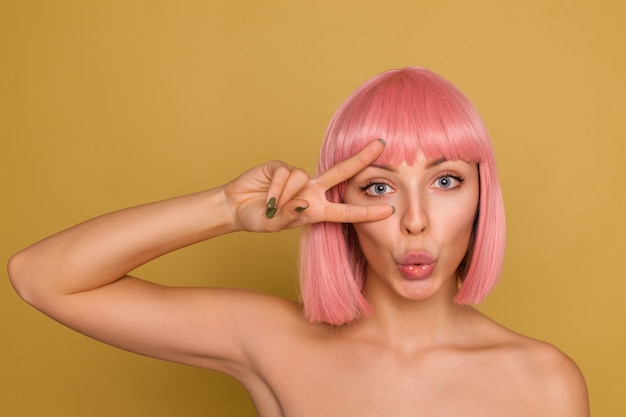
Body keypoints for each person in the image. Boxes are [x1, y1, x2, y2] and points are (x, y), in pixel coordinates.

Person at [8, 67, 589, 416]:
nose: (415, 220)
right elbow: (41, 277)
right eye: (380, 185)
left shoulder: (544, 382)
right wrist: (224, 210)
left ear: (483, 196)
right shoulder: (271, 342)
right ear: (341, 206)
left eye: (445, 181)